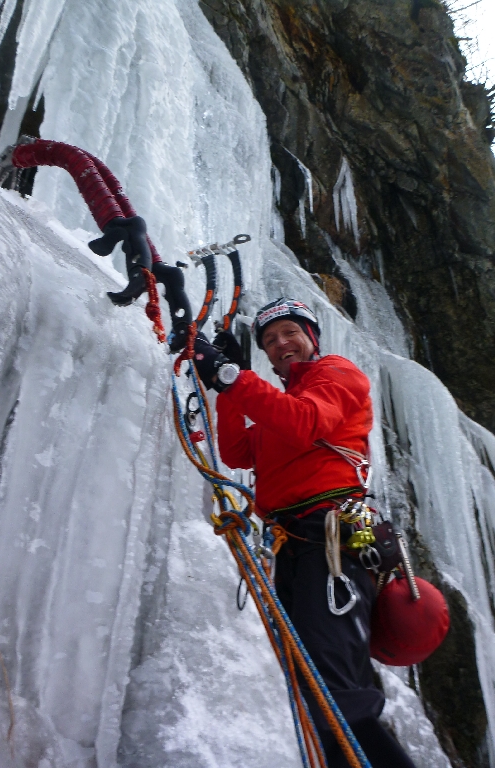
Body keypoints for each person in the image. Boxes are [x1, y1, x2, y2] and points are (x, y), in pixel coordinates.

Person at [193, 298, 417, 768]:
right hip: (294, 546)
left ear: (312, 338)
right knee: (314, 678)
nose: (280, 344)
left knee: (330, 689)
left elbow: (307, 422)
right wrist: (230, 379)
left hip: (330, 538)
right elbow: (235, 451)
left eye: (290, 333)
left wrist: (231, 376)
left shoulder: (335, 373)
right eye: (271, 341)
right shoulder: (282, 408)